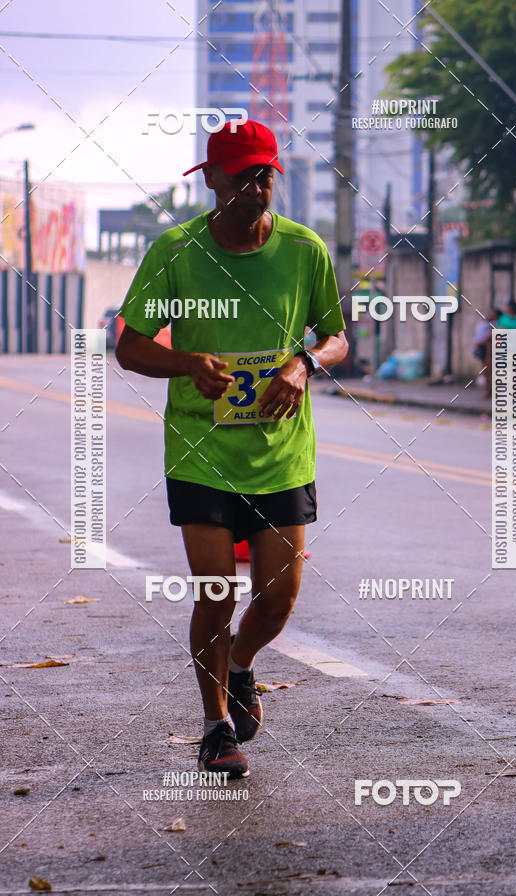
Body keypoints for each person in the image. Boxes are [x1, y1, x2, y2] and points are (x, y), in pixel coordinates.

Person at [115, 120, 348, 778]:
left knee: (277, 599)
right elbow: (129, 347)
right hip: (201, 449)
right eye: (243, 176)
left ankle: (241, 664)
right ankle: (216, 728)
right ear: (212, 179)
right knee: (216, 589)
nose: (256, 187)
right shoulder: (175, 250)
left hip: (281, 453)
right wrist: (187, 363)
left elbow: (336, 336)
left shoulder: (304, 250)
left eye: (266, 174)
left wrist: (304, 364)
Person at [473, 308, 500, 397]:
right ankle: (488, 391)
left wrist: (479, 342)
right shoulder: (488, 324)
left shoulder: (497, 324)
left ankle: (492, 391)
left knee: (491, 372)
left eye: (493, 313)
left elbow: (489, 338)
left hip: (490, 350)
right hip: (484, 349)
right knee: (487, 372)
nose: (491, 315)